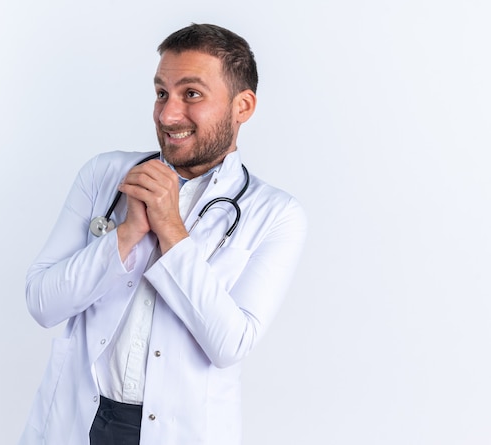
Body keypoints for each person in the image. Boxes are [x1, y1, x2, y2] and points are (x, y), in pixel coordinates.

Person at [19, 23, 307, 445]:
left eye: (191, 94)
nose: (168, 115)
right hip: (77, 416)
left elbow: (229, 345)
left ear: (242, 106)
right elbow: (43, 303)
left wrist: (171, 228)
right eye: (161, 93)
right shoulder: (106, 176)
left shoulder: (276, 214)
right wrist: (127, 233)